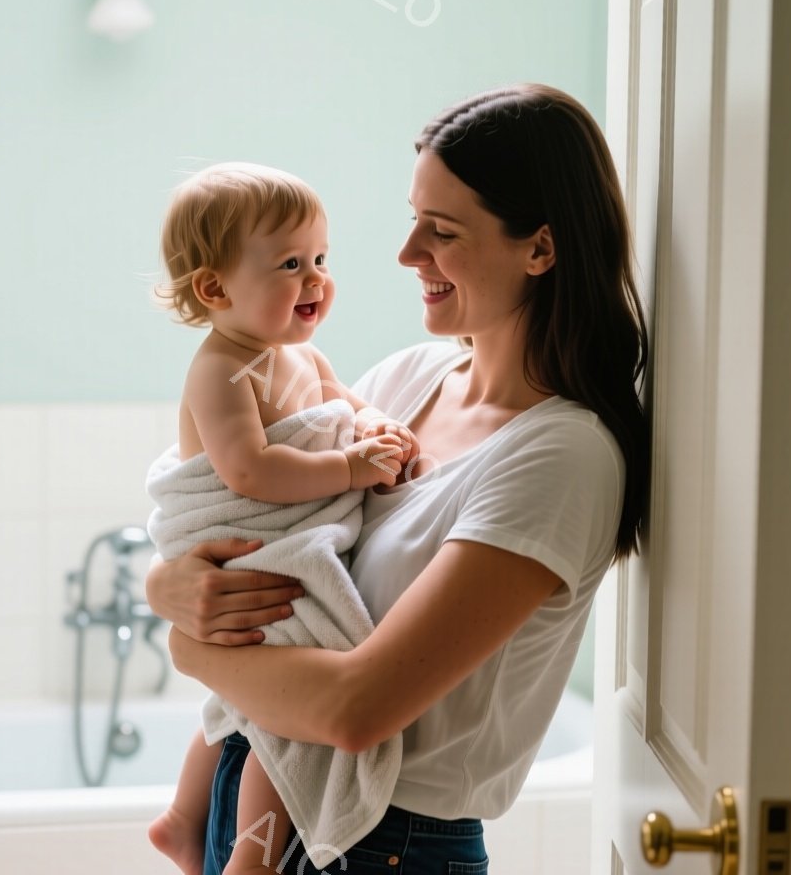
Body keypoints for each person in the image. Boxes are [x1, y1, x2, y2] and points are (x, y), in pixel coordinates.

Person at [146, 83, 653, 874]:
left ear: (541, 249)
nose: (407, 252)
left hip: (389, 845)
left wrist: (187, 643)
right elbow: (260, 516)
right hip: (262, 784)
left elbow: (358, 711)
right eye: (413, 217)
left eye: (441, 230)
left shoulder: (562, 457)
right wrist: (167, 587)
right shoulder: (408, 380)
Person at [143, 162, 422, 875]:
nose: (316, 280)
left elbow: (349, 409)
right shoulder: (222, 370)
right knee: (280, 706)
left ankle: (183, 818)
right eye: (291, 264)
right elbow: (249, 472)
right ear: (215, 289)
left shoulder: (302, 356)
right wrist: (353, 469)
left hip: (287, 537)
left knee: (249, 692)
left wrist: (382, 428)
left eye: (322, 260)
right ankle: (254, 856)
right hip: (250, 539)